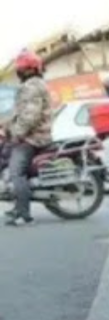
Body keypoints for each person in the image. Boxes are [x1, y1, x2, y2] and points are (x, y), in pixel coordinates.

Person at [5, 50, 53, 227]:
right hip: (35, 135)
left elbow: (30, 117)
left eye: (20, 69)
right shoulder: (35, 85)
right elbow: (19, 113)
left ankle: (24, 214)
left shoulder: (31, 87)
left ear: (28, 70)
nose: (18, 72)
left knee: (16, 171)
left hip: (34, 138)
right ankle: (17, 205)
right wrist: (5, 125)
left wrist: (16, 134)